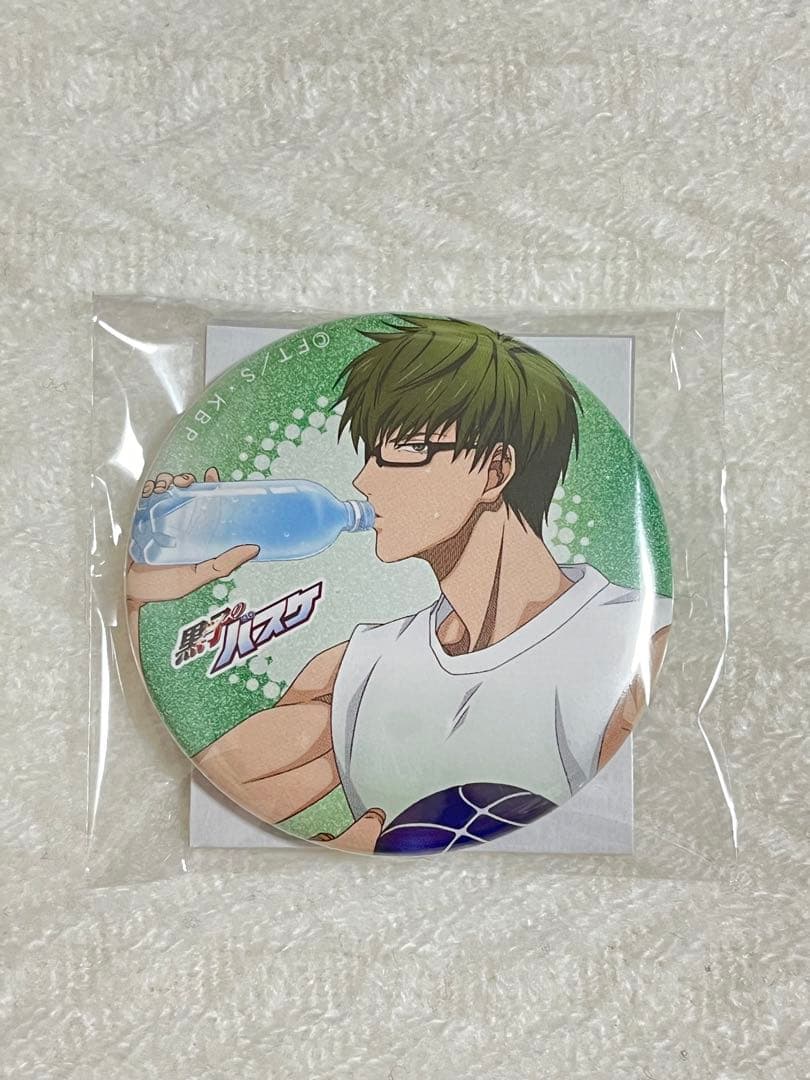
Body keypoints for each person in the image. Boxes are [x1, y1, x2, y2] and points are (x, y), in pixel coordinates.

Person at [127, 316, 671, 853]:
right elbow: (209, 786)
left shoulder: (633, 646)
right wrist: (139, 600)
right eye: (371, 452)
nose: (363, 479)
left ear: (494, 470)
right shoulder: (354, 670)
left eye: (405, 448)